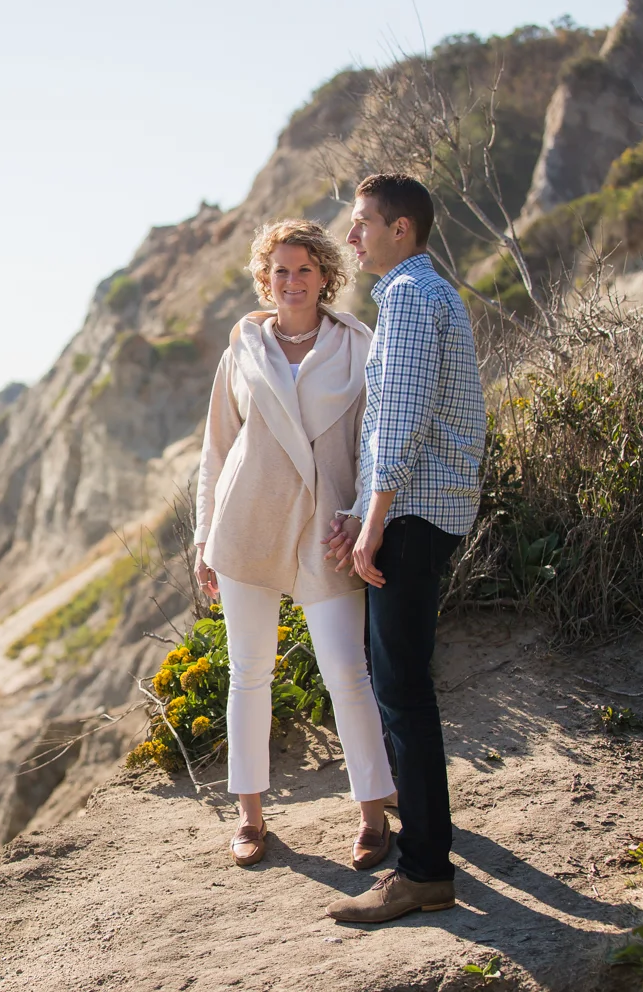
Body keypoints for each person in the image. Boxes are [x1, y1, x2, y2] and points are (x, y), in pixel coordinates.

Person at [194, 218, 396, 870]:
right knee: (248, 673)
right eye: (280, 270)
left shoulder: (357, 348)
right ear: (265, 278)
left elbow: (374, 444)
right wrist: (204, 538)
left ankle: (373, 812)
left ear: (326, 275)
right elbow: (215, 452)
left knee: (346, 669)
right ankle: (250, 817)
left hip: (326, 527)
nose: (292, 281)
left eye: (304, 269)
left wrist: (362, 515)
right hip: (248, 523)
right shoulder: (242, 353)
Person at [323, 174, 486, 923]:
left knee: (401, 689)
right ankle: (426, 847)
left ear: (401, 231)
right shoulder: (416, 297)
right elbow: (393, 422)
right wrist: (361, 512)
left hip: (414, 517)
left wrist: (375, 520)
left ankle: (423, 870)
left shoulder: (415, 302)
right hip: (413, 512)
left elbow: (404, 422)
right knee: (401, 685)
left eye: (362, 224)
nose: (351, 237)